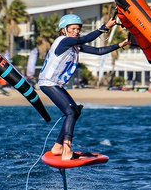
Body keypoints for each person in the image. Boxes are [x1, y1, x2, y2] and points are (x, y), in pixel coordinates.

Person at [38, 14, 129, 160]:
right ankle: (67, 151)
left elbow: (98, 52)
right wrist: (104, 28)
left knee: (75, 111)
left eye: (78, 29)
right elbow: (85, 39)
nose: (76, 31)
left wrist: (119, 45)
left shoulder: (74, 45)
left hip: (55, 84)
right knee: (70, 112)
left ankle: (58, 147)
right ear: (64, 30)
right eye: (73, 28)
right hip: (48, 83)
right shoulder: (64, 41)